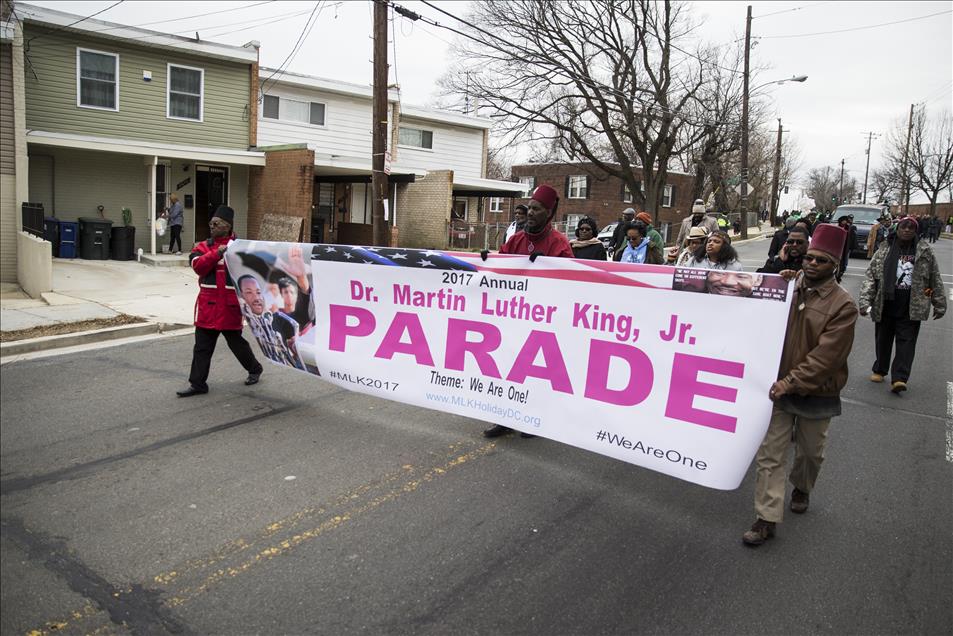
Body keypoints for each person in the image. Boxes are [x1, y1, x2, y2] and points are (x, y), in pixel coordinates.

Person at [742, 223, 858, 546]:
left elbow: (826, 358)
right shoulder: (788, 288)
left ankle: (802, 487)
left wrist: (791, 382)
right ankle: (766, 518)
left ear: (834, 266)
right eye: (809, 258)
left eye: (821, 261)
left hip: (816, 392)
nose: (812, 264)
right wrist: (780, 280)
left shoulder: (844, 306)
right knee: (770, 455)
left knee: (810, 454)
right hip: (778, 388)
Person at [486, 183, 572, 439]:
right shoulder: (515, 240)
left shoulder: (560, 244)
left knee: (534, 374)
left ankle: (533, 420)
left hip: (542, 321)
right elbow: (497, 270)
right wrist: (486, 261)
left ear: (549, 212)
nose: (531, 212)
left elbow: (568, 285)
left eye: (537, 209)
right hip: (512, 317)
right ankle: (505, 418)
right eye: (530, 208)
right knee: (505, 369)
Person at [177, 205, 263, 397]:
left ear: (227, 226)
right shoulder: (203, 247)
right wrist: (217, 254)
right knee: (202, 347)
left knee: (237, 344)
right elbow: (197, 266)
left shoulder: (241, 248)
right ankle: (198, 384)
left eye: (216, 224)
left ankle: (255, 369)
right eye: (211, 224)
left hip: (231, 307)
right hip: (208, 307)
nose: (212, 227)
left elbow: (254, 273)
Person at [858, 216, 946, 394]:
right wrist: (865, 301)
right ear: (897, 230)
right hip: (886, 302)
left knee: (906, 343)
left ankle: (899, 378)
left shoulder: (924, 251)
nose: (906, 231)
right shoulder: (884, 249)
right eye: (903, 228)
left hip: (912, 305)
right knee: (883, 339)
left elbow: (934, 277)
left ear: (915, 231)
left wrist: (939, 303)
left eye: (910, 228)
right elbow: (870, 276)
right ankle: (880, 369)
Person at [238, 275, 306, 370]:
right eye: (249, 292)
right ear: (241, 296)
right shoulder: (241, 327)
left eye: (258, 292)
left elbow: (302, 318)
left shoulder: (278, 319)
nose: (256, 297)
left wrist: (295, 346)